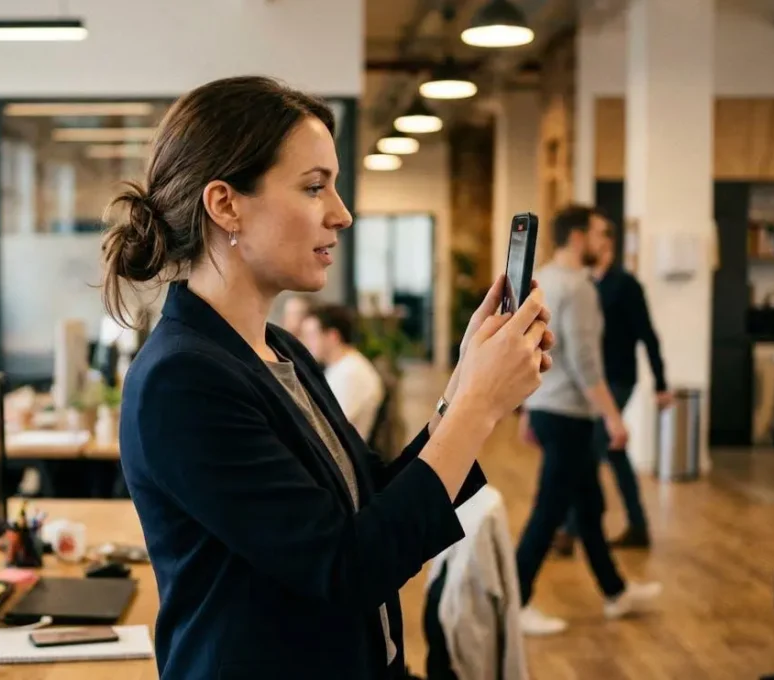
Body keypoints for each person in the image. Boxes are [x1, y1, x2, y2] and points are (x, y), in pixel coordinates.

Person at [102, 76, 553, 680]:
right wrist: (477, 407)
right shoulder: (179, 381)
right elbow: (345, 569)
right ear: (225, 203)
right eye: (315, 187)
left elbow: (366, 507)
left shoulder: (278, 349)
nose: (341, 214)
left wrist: (463, 389)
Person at [515, 205, 662, 637]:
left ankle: (616, 592)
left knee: (590, 508)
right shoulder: (578, 288)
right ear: (577, 238)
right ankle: (516, 600)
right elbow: (584, 363)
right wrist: (614, 417)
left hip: (549, 409)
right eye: (601, 234)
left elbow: (532, 351)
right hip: (568, 416)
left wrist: (528, 408)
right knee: (550, 510)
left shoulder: (542, 280)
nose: (605, 243)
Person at [555, 227, 669, 554]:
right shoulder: (588, 284)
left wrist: (661, 383)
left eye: (600, 241)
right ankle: (638, 525)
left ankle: (570, 530)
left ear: (608, 246)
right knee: (614, 452)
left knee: (591, 449)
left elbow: (648, 335)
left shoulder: (626, 285)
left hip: (619, 379)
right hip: (597, 381)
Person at [298, 304, 385, 440]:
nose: (305, 343)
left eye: (311, 336)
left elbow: (329, 429)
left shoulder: (351, 373)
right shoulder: (340, 366)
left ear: (333, 336)